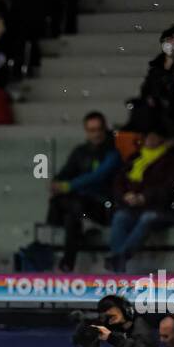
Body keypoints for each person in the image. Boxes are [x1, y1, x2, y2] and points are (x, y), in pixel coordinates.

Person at [106, 120, 174, 273]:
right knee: (120, 217)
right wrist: (125, 196)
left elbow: (171, 188)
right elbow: (119, 181)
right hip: (132, 207)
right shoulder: (135, 158)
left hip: (160, 209)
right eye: (148, 136)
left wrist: (144, 197)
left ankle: (120, 257)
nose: (150, 140)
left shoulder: (172, 161)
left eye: (154, 136)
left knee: (147, 217)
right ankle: (118, 264)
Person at [48, 111, 120, 272]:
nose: (95, 134)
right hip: (80, 203)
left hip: (102, 204)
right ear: (86, 131)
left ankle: (67, 261)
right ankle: (69, 258)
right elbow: (66, 172)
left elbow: (97, 176)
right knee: (67, 209)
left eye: (98, 129)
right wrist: (57, 183)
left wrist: (68, 186)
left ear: (104, 129)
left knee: (72, 210)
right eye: (91, 130)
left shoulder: (112, 153)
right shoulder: (80, 152)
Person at [73, 294, 160, 347]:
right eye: (106, 318)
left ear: (127, 311)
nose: (110, 321)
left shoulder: (141, 326)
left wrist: (111, 338)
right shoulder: (120, 331)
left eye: (112, 317)